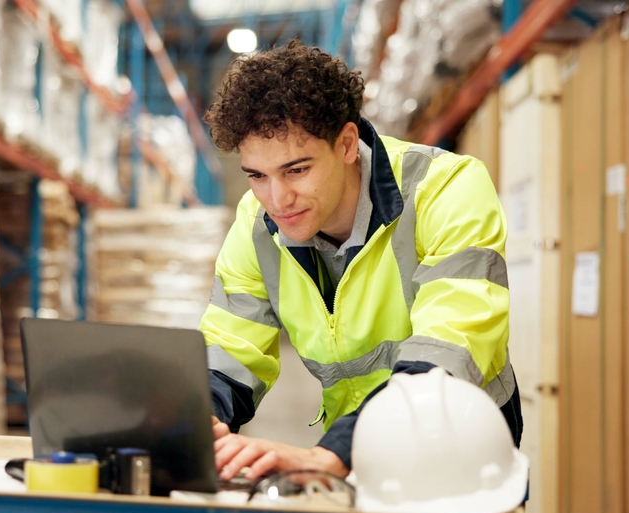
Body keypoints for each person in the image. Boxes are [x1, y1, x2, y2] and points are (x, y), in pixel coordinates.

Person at [199, 40, 522, 482]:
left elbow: (448, 353)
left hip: (459, 453)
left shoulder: (447, 189)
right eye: (257, 176)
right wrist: (199, 418)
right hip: (351, 451)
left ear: (347, 144)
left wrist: (335, 451)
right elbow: (231, 347)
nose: (277, 199)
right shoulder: (256, 224)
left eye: (297, 170)